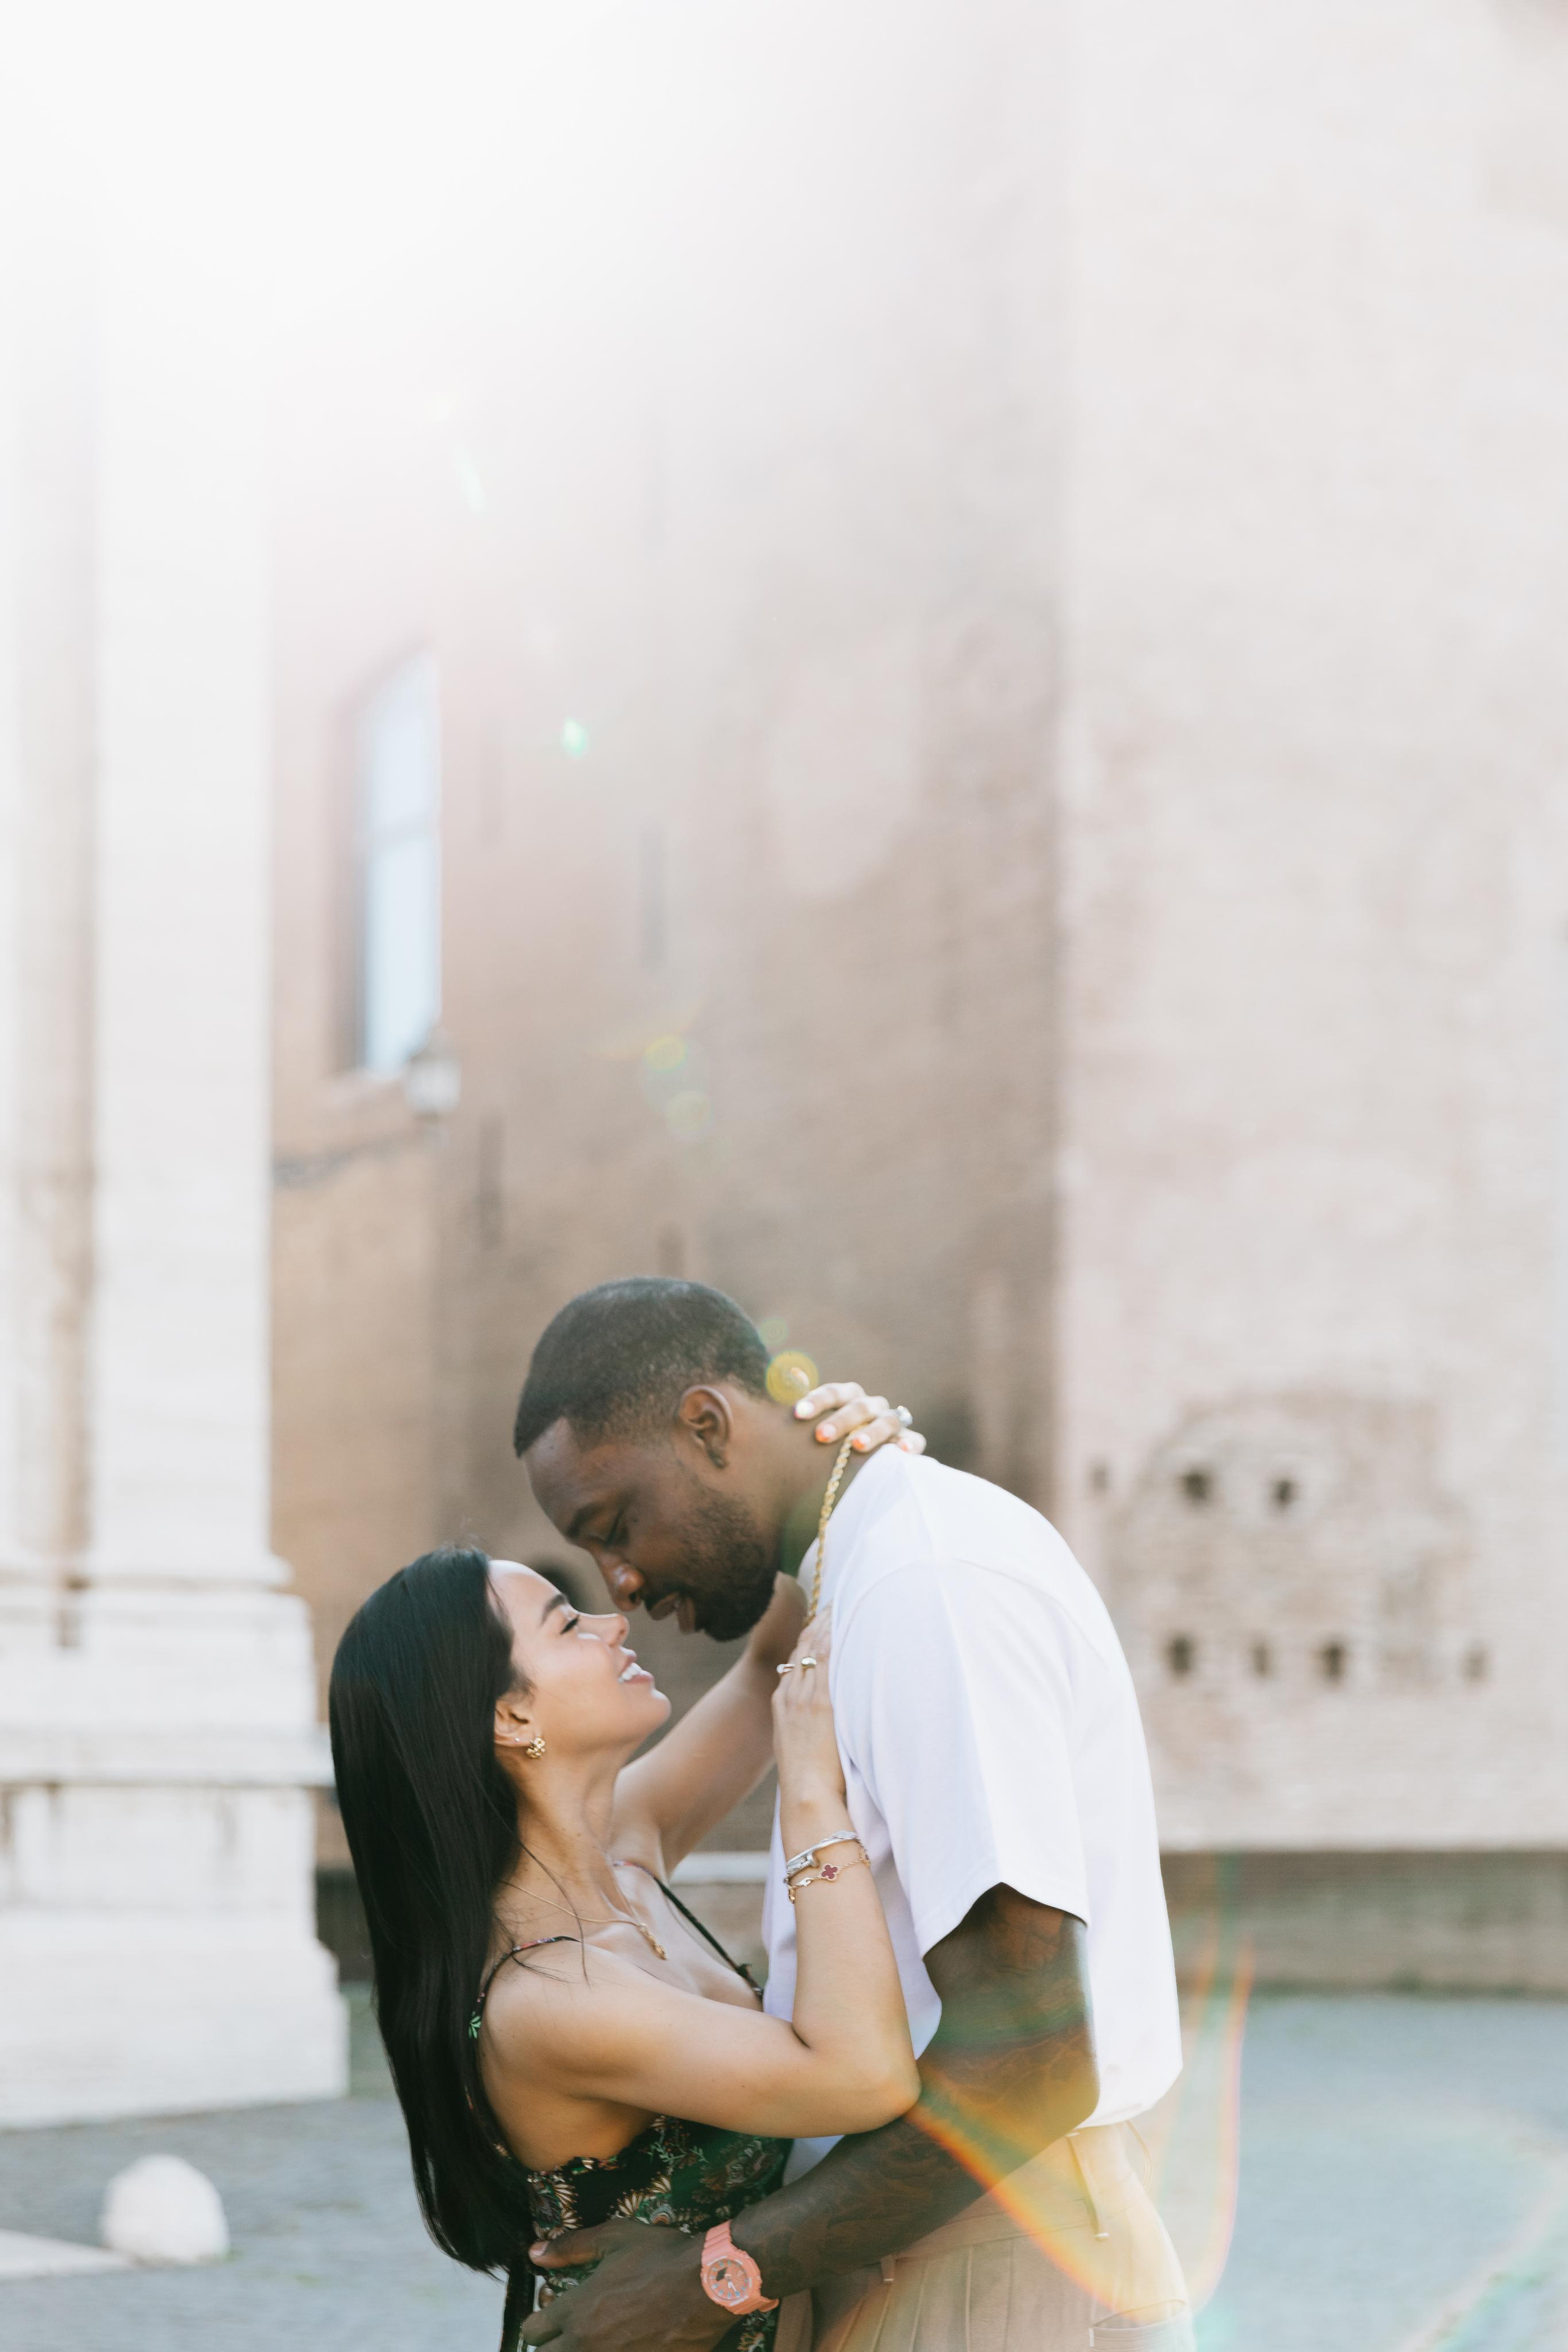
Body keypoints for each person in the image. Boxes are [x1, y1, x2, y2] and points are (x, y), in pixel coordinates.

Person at [513, 1277, 1195, 2351]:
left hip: (994, 2253)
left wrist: (710, 2282)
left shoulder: (926, 1582)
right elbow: (769, 1654)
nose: (622, 1586)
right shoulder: (870, 1572)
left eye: (616, 1524)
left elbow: (1033, 2058)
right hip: (917, 2242)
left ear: (706, 1424)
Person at [328, 1382, 924, 2352]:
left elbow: (775, 1642)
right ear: (509, 1718)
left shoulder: (622, 1853)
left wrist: (847, 1459)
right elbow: (864, 2079)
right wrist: (813, 1795)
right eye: (567, 1625)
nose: (614, 1622)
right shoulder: (550, 1997)